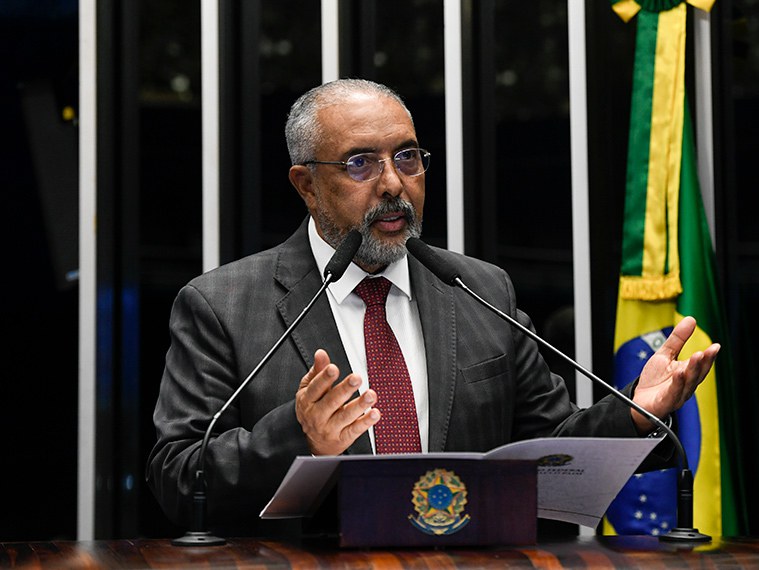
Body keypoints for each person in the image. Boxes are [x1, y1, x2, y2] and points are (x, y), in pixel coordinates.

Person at [146, 78, 719, 535]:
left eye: (408, 158)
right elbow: (177, 477)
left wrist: (636, 413)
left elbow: (552, 449)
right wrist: (299, 439)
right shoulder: (222, 305)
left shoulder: (478, 289)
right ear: (306, 184)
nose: (394, 183)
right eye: (360, 163)